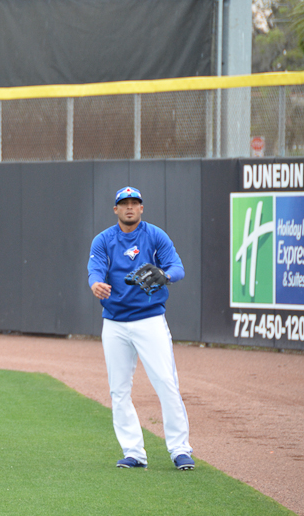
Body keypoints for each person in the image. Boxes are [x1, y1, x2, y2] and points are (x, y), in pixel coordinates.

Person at [87, 186, 195, 471]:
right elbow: (94, 268)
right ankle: (134, 452)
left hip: (149, 319)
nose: (129, 207)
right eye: (124, 203)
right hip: (114, 323)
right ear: (116, 210)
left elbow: (177, 267)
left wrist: (165, 275)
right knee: (118, 390)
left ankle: (180, 450)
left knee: (166, 383)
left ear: (142, 208)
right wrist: (95, 283)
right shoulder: (103, 240)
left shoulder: (155, 235)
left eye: (134, 203)